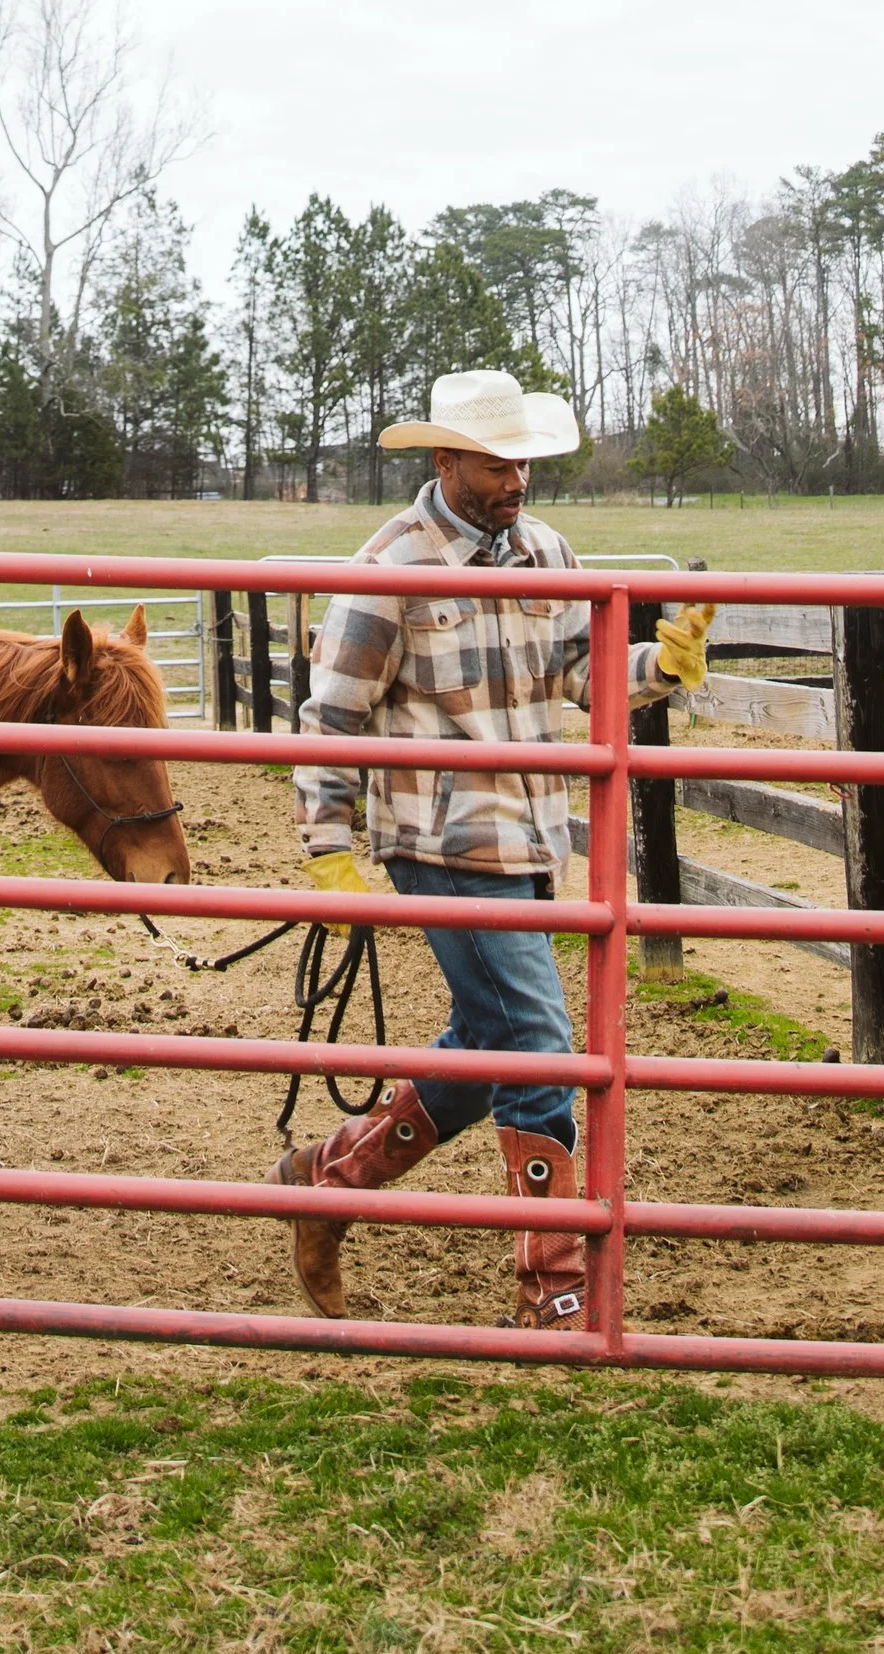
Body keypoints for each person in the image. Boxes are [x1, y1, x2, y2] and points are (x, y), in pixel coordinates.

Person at [279, 370, 714, 1325]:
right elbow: (329, 716)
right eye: (495, 460)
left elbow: (580, 670)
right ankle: (554, 1288)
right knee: (540, 1043)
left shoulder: (546, 550)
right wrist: (327, 845)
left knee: (492, 1045)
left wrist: (656, 664)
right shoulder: (389, 568)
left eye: (522, 458)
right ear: (446, 461)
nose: (516, 476)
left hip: (528, 837)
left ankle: (328, 1179)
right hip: (437, 839)